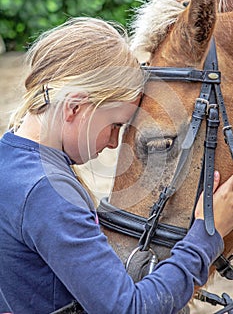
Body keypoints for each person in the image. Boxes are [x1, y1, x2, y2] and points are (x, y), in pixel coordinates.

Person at [0, 17, 233, 314]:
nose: (112, 143)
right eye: (114, 125)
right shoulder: (47, 192)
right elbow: (129, 309)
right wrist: (206, 237)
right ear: (74, 107)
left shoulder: (11, 162)